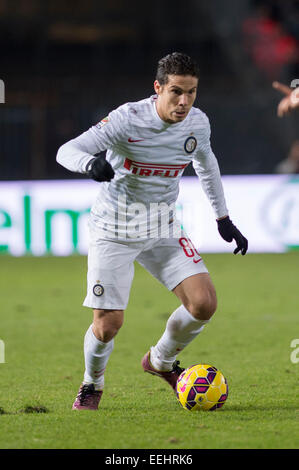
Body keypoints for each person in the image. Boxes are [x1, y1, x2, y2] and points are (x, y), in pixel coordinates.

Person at [56, 52, 248, 411]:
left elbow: (206, 165)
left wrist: (223, 218)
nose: (184, 102)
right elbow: (67, 150)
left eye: (191, 93)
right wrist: (90, 163)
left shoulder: (197, 124)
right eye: (176, 91)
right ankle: (91, 383)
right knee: (108, 324)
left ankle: (159, 361)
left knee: (204, 303)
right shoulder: (127, 119)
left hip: (162, 225)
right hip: (113, 229)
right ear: (157, 88)